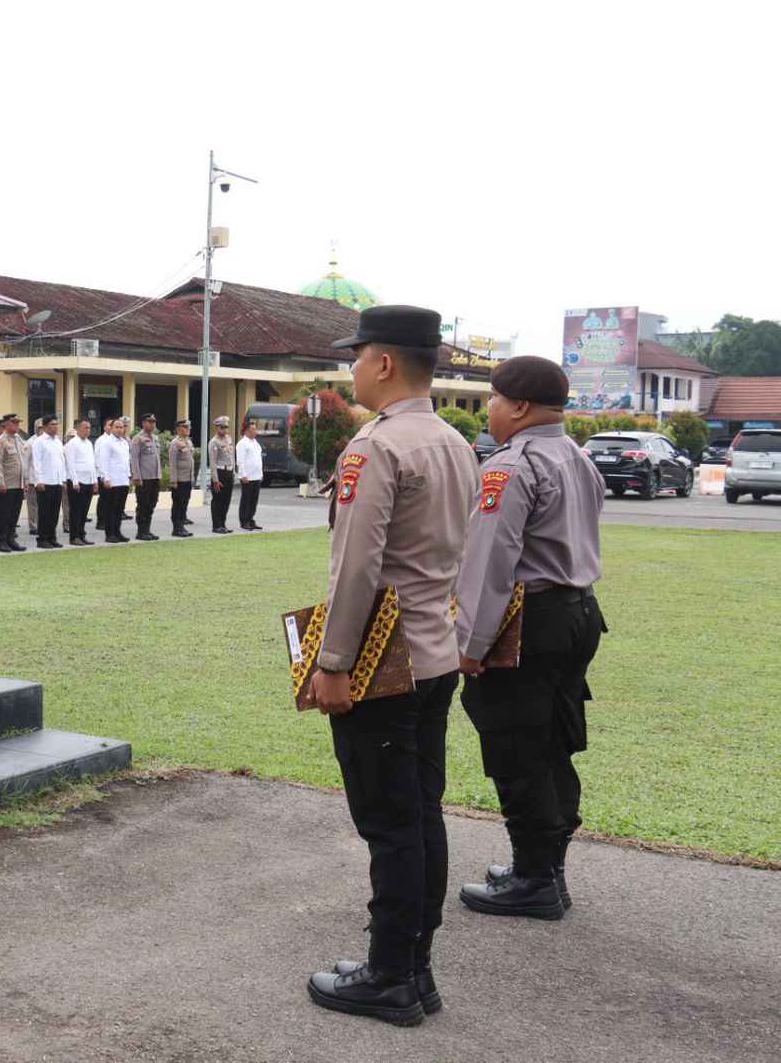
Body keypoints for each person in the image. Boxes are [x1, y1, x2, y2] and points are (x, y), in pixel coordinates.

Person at [304, 305, 479, 1027]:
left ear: (382, 362)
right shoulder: (453, 439)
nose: (350, 368)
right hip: (434, 649)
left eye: (356, 355)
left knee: (390, 824)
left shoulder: (374, 448)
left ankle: (391, 977)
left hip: (385, 661)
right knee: (418, 814)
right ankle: (412, 968)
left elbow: (356, 571)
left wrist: (334, 660)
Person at [453, 356, 607, 921]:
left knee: (516, 744)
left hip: (531, 620)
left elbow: (491, 563)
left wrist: (469, 645)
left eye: (492, 398)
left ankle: (535, 877)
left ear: (517, 406)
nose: (488, 408)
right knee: (552, 741)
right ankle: (545, 865)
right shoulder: (576, 457)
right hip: (577, 612)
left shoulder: (511, 466)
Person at [0, 412, 32, 552]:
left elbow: (23, 462)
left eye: (18, 422)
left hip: (18, 484)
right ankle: (2, 541)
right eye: (14, 422)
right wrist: (1, 483)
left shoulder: (19, 440)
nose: (17, 425)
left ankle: (11, 539)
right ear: (5, 424)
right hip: (6, 484)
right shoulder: (0, 441)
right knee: (4, 514)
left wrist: (25, 480)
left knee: (14, 514)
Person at [30, 414, 68, 548]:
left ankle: (52, 537)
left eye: (56, 424)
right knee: (44, 512)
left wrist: (63, 480)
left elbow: (61, 462)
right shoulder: (39, 441)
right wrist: (38, 480)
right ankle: (42, 539)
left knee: (54, 512)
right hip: (44, 482)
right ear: (45, 426)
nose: (55, 427)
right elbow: (37, 462)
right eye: (52, 424)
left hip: (57, 481)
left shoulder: (58, 441)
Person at [62, 418, 99, 545]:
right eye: (85, 428)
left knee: (84, 510)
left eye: (89, 428)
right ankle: (74, 536)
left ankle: (82, 534)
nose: (88, 430)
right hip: (77, 482)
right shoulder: (72, 444)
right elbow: (70, 464)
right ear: (77, 429)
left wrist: (94, 481)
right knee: (76, 511)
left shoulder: (89, 443)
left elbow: (91, 463)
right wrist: (75, 482)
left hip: (88, 481)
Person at [95, 416, 131, 543]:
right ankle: (110, 534)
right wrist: (105, 477)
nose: (120, 429)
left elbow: (125, 462)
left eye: (122, 427)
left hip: (123, 480)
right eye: (117, 427)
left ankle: (117, 532)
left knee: (119, 509)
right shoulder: (107, 442)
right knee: (111, 509)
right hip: (112, 481)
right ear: (111, 428)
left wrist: (128, 476)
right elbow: (103, 461)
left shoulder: (124, 443)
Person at [129, 413, 162, 541]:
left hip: (154, 477)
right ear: (143, 423)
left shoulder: (155, 438)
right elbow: (134, 459)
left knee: (151, 504)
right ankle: (141, 531)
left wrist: (159, 475)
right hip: (144, 478)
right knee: (143, 505)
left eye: (153, 421)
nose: (152, 424)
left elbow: (157, 459)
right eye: (149, 421)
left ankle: (147, 530)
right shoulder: (138, 438)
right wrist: (136, 477)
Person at [207, 416, 236, 534]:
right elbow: (213, 462)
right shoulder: (214, 442)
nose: (224, 430)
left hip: (229, 472)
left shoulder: (229, 439)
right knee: (218, 500)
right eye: (222, 427)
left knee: (226, 500)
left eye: (226, 427)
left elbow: (231, 456)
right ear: (217, 427)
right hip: (219, 473)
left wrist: (233, 472)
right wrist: (215, 479)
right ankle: (216, 525)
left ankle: (223, 524)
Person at [168, 419, 196, 538]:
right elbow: (172, 463)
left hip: (187, 478)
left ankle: (181, 526)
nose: (188, 429)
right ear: (178, 429)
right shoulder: (175, 443)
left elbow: (190, 461)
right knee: (178, 504)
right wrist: (173, 480)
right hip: (179, 479)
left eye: (188, 427)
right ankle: (176, 528)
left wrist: (192, 478)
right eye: (185, 427)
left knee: (184, 503)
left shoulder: (188, 442)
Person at [237, 420, 265, 530]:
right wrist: (243, 475)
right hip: (247, 477)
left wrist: (260, 474)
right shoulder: (242, 443)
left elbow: (258, 459)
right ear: (247, 431)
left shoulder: (255, 442)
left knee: (254, 500)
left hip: (256, 476)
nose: (256, 431)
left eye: (255, 429)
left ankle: (250, 519)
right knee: (246, 500)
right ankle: (244, 521)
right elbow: (240, 461)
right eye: (253, 429)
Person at [25, 417, 45, 537]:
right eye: (40, 428)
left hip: (44, 480)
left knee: (42, 504)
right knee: (33, 505)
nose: (42, 430)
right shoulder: (30, 443)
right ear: (36, 429)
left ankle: (41, 524)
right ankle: (33, 526)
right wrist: (26, 480)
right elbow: (26, 462)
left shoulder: (47, 442)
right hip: (33, 479)